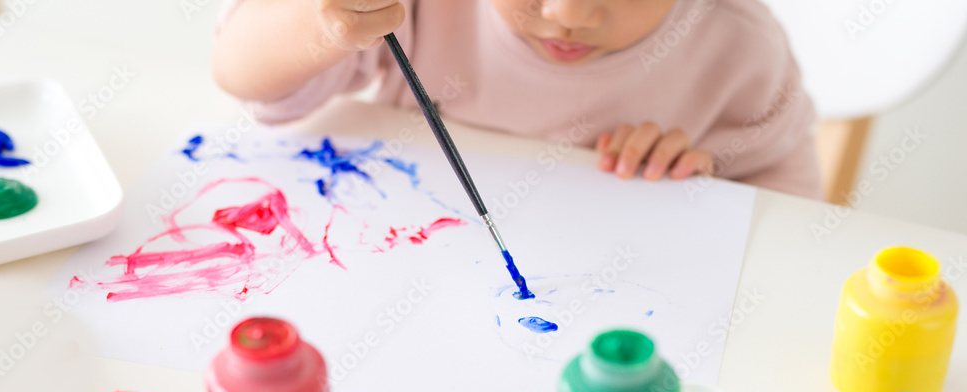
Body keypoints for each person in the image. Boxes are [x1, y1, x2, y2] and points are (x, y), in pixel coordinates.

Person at [213, 0, 821, 199]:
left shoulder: (737, 48)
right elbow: (243, 75)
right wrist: (326, 25)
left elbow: (793, 198)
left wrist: (706, 176)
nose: (566, 15)